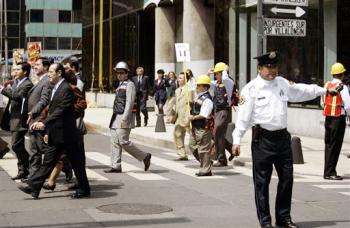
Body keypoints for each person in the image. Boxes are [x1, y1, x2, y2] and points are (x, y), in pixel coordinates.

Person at [232, 52, 340, 228]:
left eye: (274, 66)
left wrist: (325, 90)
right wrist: (236, 140)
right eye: (268, 67)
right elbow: (243, 118)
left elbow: (302, 90)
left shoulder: (282, 83)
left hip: (282, 139)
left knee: (287, 179)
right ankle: (266, 222)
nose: (272, 70)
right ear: (259, 68)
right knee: (262, 183)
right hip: (262, 140)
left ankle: (283, 218)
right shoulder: (250, 89)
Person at [18, 63, 90, 199]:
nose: (49, 74)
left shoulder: (66, 89)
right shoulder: (55, 88)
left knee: (77, 163)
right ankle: (34, 187)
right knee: (48, 162)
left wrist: (43, 124)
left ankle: (84, 189)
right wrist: (40, 121)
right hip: (57, 133)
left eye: (51, 71)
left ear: (59, 73)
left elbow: (60, 111)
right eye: (49, 71)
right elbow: (50, 109)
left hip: (67, 134)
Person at [104, 61, 151, 173]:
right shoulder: (120, 84)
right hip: (116, 116)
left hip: (124, 117)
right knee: (114, 141)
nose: (119, 74)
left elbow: (129, 103)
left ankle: (144, 156)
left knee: (123, 141)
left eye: (121, 73)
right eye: (117, 73)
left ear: (126, 73)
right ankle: (116, 165)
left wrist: (125, 118)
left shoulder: (130, 85)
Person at [0, 63, 33, 180]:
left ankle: (29, 164)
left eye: (18, 69)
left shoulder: (27, 84)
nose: (15, 71)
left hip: (20, 119)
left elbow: (18, 97)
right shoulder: (16, 82)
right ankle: (22, 170)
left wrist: (3, 90)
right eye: (14, 69)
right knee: (18, 145)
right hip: (12, 118)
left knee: (15, 145)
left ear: (25, 71)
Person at [321, 62, 350, 180]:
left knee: (328, 145)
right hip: (338, 119)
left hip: (328, 119)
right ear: (342, 74)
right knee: (335, 146)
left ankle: (327, 171)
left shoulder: (326, 85)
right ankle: (330, 173)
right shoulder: (342, 86)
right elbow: (348, 104)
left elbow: (322, 103)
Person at [26, 57, 51, 179]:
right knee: (34, 151)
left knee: (44, 150)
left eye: (37, 64)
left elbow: (44, 100)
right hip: (33, 119)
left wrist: (33, 112)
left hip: (40, 119)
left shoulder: (46, 81)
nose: (34, 66)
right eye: (34, 65)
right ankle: (33, 177)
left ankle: (65, 166)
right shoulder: (40, 80)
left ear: (45, 67)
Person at [188, 75, 214, 176]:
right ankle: (206, 163)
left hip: (203, 127)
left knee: (203, 149)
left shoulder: (207, 99)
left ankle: (205, 170)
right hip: (195, 127)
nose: (196, 87)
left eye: (198, 85)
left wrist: (193, 117)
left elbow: (204, 114)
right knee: (192, 145)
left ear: (204, 87)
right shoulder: (198, 97)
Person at [211, 62, 235, 167]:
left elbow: (225, 79)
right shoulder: (216, 83)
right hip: (216, 111)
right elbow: (205, 83)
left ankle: (221, 159)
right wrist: (208, 74)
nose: (215, 75)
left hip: (224, 111)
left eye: (217, 73)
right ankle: (230, 149)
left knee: (217, 131)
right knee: (217, 134)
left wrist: (224, 70)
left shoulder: (228, 82)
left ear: (222, 73)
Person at [173, 72, 192, 160]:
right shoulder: (177, 90)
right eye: (178, 78)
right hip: (179, 116)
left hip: (187, 116)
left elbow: (192, 104)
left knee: (194, 135)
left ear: (185, 80)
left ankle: (206, 151)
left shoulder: (189, 90)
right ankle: (182, 154)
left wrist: (189, 116)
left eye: (181, 78)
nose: (179, 79)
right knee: (177, 134)